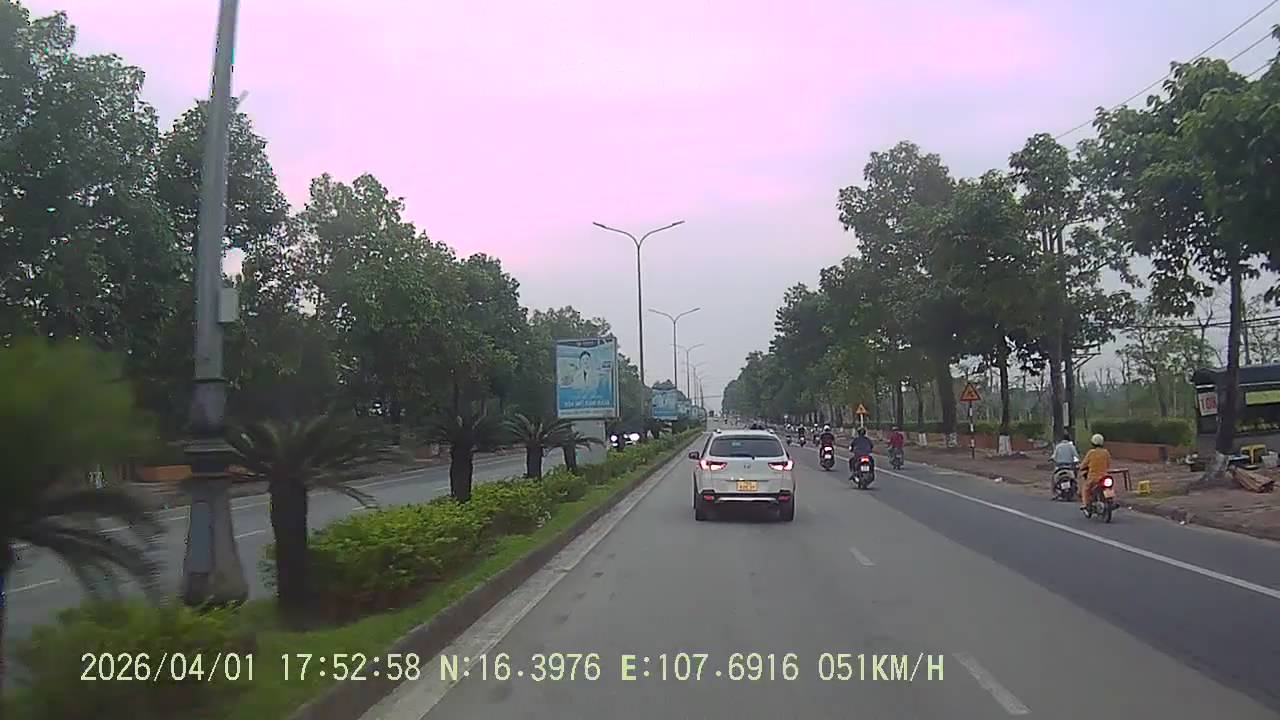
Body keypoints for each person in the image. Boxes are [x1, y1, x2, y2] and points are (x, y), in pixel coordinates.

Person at [1078, 434, 1112, 515]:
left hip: (1093, 478)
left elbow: (1084, 464)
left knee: (1086, 490)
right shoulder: (1106, 452)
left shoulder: (1091, 453)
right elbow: (1108, 464)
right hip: (1105, 477)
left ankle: (1086, 505)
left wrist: (1081, 467)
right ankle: (1111, 500)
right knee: (1109, 488)